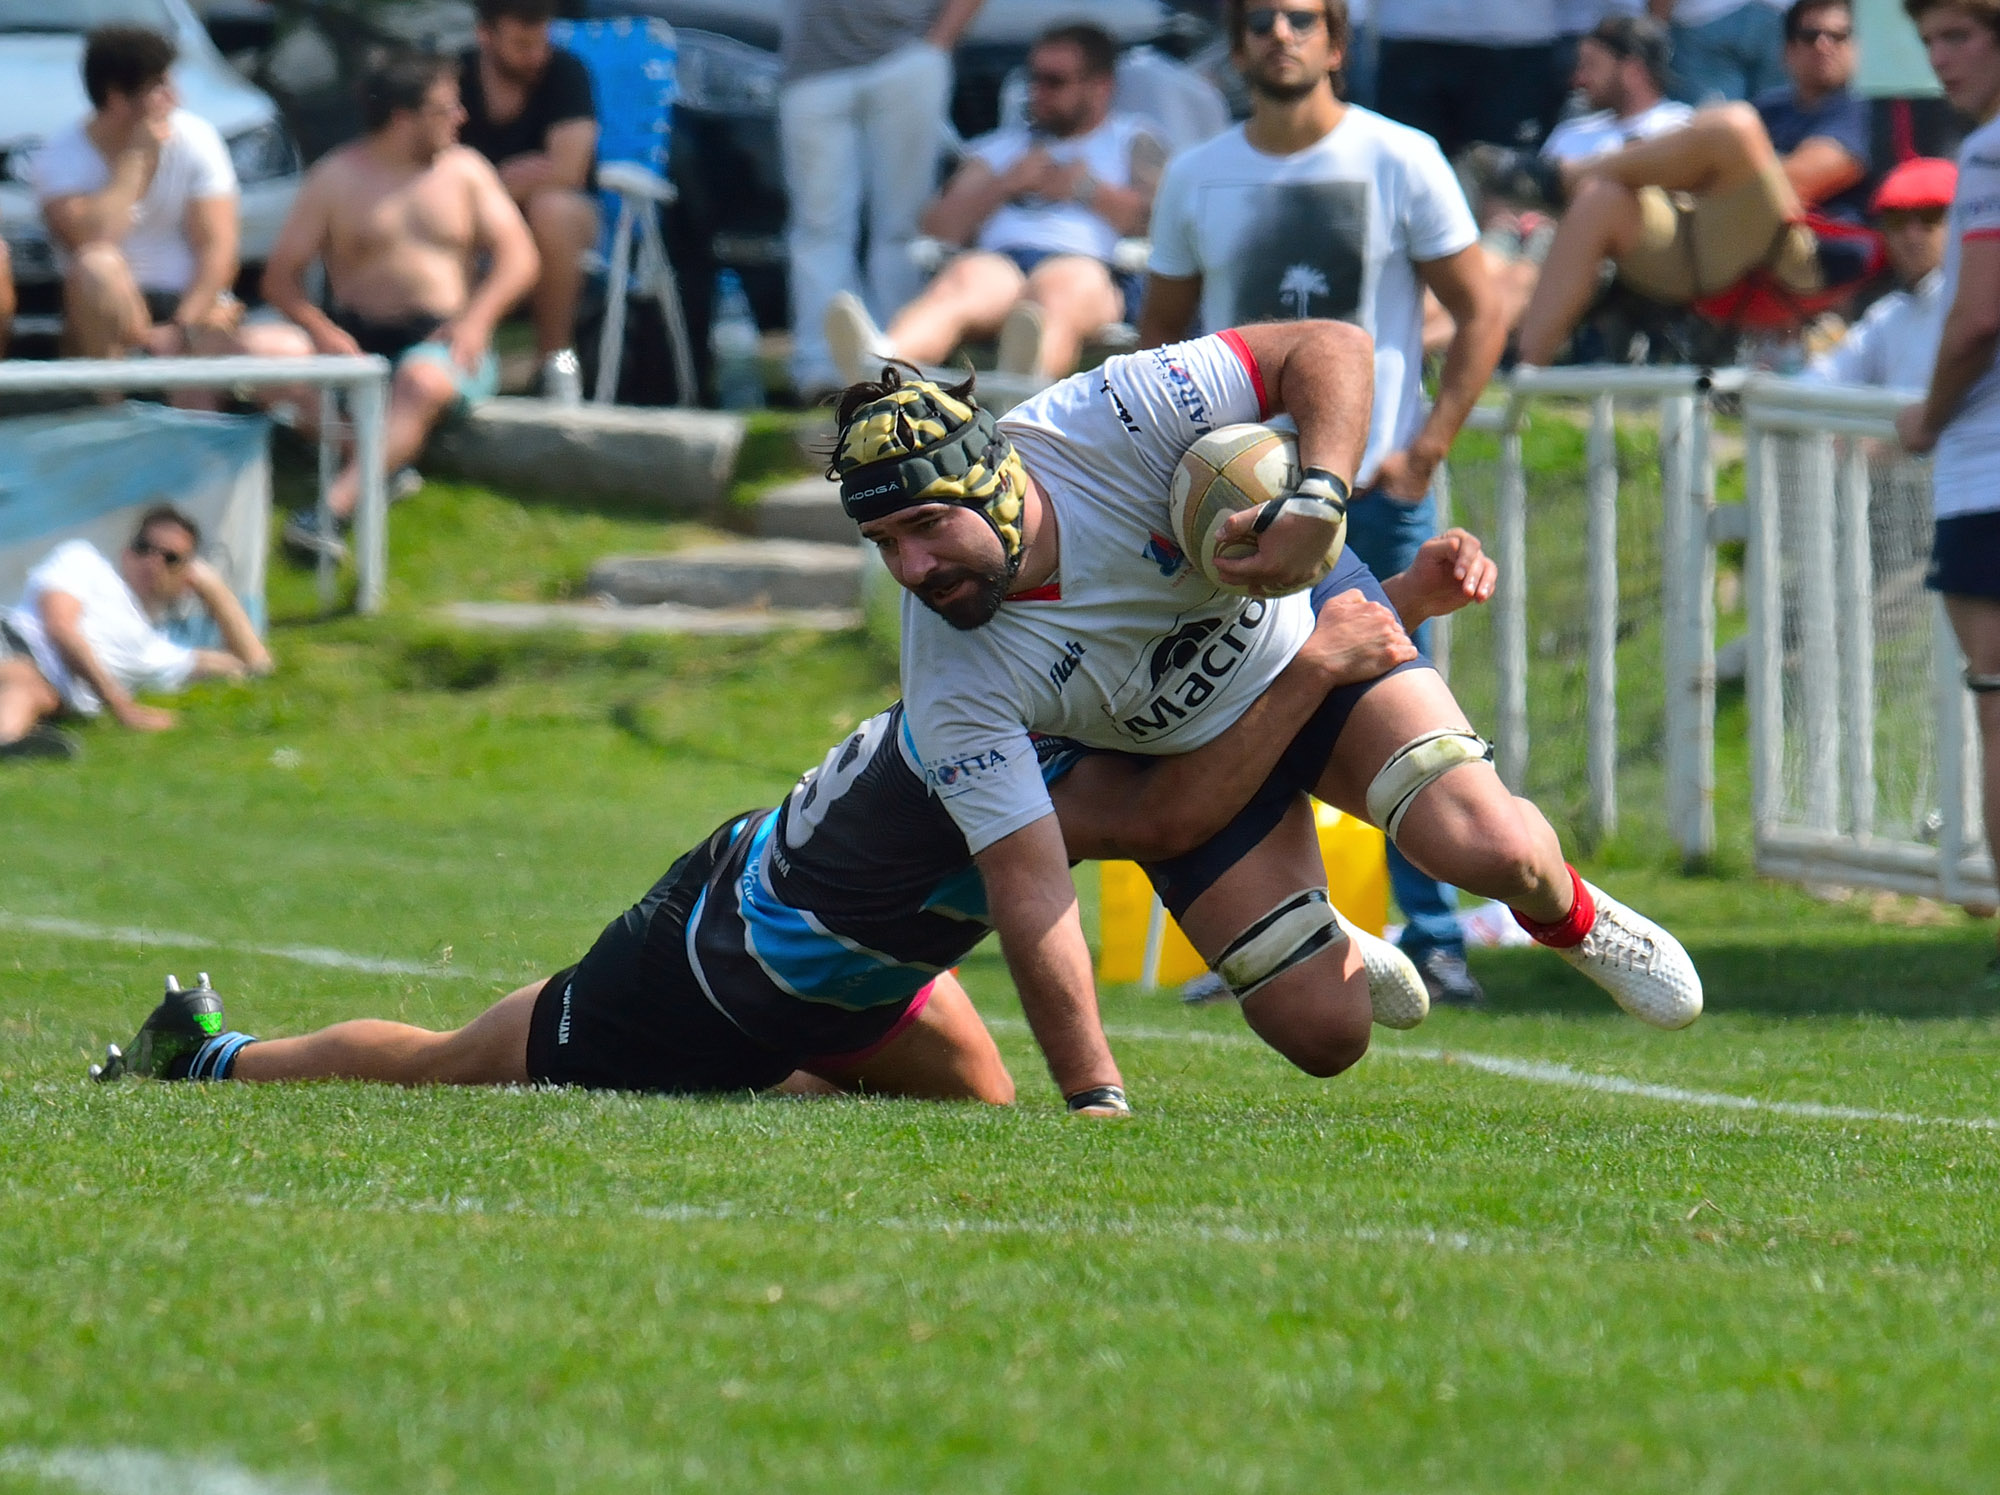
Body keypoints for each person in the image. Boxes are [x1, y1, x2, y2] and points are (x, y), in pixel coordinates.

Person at [87, 563, 1498, 1099]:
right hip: (715, 963)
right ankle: (207, 1053)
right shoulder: (987, 731)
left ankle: (774, 1068)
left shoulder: (1063, 658)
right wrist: (1318, 675)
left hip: (855, 964)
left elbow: (1196, 767)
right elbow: (1174, 813)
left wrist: (1387, 606)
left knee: (968, 1106)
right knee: (472, 1064)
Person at [833, 336, 1702, 1110]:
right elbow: (1029, 885)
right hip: (1191, 754)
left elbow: (1328, 347)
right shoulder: (949, 671)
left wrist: (1322, 497)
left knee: (1492, 852)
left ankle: (1577, 919)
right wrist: (1093, 1095)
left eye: (927, 524)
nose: (913, 567)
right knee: (1326, 1035)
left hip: (1302, 628)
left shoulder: (1111, 416)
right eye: (885, 543)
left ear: (996, 478)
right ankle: (1316, 911)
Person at [1140, 0, 1511, 1008]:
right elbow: (1156, 337)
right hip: (1236, 504)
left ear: (1337, 42)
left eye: (1301, 17)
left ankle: (1432, 938)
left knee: (1400, 709)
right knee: (1240, 702)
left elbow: (1481, 309)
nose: (1279, 33)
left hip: (1364, 492)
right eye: (1259, 18)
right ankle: (1269, 931)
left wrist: (1424, 448)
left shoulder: (1400, 159)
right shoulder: (1196, 173)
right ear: (1234, 43)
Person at [261, 53, 539, 561]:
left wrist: (476, 322)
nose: (460, 118)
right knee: (264, 355)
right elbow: (281, 279)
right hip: (354, 340)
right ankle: (381, 465)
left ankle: (329, 512)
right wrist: (320, 331)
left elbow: (519, 257)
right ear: (402, 116)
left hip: (443, 341)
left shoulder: (467, 171)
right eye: (445, 110)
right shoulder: (335, 177)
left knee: (420, 379)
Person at [1490, 0, 1875, 365]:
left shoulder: (1861, 110)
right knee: (1600, 198)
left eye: (1838, 36)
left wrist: (1713, 165)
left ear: (1857, 48)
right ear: (1787, 51)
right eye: (1810, 36)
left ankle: (1563, 177)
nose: (1824, 46)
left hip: (1797, 251)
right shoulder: (1771, 107)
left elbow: (1803, 180)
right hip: (1711, 242)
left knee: (1732, 126)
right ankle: (1522, 376)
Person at [825, 24, 1165, 386]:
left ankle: (1024, 388)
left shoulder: (1131, 140)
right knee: (965, 280)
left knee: (1060, 288)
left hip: (1094, 269)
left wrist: (1085, 190)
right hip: (1001, 265)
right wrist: (1005, 184)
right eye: (1034, 78)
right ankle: (883, 365)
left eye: (1055, 81)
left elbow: (1162, 221)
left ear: (1100, 87)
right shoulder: (999, 149)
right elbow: (938, 228)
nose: (1038, 92)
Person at [1895, 0, 2000, 969]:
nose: (1939, 59)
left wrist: (1923, 418)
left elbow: (1975, 317)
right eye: (1928, 40)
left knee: (1995, 702)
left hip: (1987, 471)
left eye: (1957, 36)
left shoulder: (1986, 155)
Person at [31, 26, 297, 375]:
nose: (176, 99)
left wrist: (182, 325)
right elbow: (89, 239)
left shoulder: (197, 139)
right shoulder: (61, 156)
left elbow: (218, 247)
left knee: (277, 346)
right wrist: (134, 164)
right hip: (109, 311)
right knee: (97, 266)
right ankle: (113, 404)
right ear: (116, 98)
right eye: (161, 87)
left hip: (189, 308)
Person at [781, 0, 987, 400]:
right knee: (818, 227)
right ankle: (822, 369)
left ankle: (897, 364)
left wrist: (936, 45)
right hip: (812, 66)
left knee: (903, 230)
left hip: (906, 56)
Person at [0, 506, 272, 763]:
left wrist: (212, 587)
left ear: (185, 578)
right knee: (24, 676)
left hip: (43, 689)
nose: (153, 562)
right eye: (144, 548)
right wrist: (120, 705)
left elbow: (254, 663)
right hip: (12, 641)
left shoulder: (154, 652)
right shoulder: (83, 561)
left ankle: (9, 740)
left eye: (170, 558)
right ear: (127, 552)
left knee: (38, 692)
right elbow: (60, 627)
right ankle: (10, 738)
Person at [459, 0, 599, 402]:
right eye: (522, 46)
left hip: (566, 222)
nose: (536, 56)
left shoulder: (567, 72)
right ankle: (465, 361)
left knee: (551, 209)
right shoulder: (455, 79)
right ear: (485, 36)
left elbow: (569, 170)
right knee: (447, 213)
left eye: (541, 43)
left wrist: (488, 182)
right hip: (481, 220)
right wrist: (513, 180)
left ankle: (556, 365)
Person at [1806, 155, 1952, 387]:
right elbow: (1821, 381)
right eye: (1897, 220)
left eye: (1929, 216)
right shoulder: (1888, 315)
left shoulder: (1983, 305)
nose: (1911, 235)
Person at [1372, 0, 1562, 158]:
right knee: (1405, 164)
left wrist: (1579, 28)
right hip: (1408, 35)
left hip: (1520, 41)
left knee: (1508, 180)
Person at [1543, 14, 1695, 163]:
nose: (1579, 80)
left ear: (1634, 71)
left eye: (1591, 65)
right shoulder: (1568, 137)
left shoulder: (1683, 128)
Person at [1653, 0, 1787, 105]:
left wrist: (1654, 30)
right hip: (1777, 15)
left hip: (1704, 22)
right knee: (1780, 119)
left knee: (1713, 124)